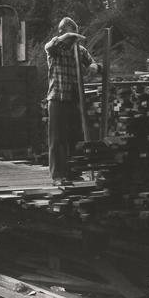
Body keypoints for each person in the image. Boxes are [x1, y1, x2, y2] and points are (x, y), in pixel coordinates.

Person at [44, 17, 100, 185]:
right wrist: (65, 37)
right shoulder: (55, 48)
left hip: (74, 98)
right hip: (57, 98)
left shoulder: (80, 50)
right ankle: (58, 175)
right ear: (62, 34)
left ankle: (73, 172)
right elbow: (49, 46)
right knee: (57, 139)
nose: (72, 40)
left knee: (74, 138)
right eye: (70, 36)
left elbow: (92, 63)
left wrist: (94, 67)